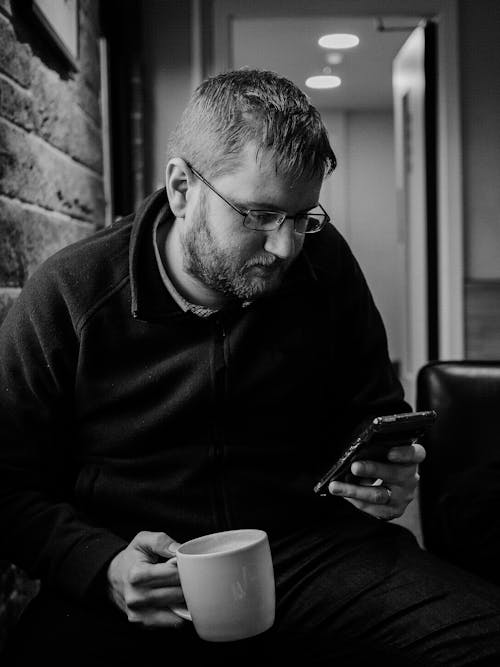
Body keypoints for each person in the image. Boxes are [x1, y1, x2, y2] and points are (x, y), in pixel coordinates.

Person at [0, 68, 499, 666]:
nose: (287, 247)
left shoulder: (325, 262)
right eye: (259, 215)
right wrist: (98, 565)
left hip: (313, 553)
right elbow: (7, 480)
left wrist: (387, 476)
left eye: (302, 217)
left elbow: (375, 410)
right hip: (149, 569)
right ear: (182, 188)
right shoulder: (71, 294)